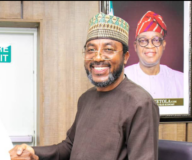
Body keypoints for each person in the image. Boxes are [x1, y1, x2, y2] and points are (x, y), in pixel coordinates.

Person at [10, 13, 159, 160]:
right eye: (91, 49)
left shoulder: (140, 103)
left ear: (125, 57)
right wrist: (32, 151)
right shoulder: (86, 98)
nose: (98, 57)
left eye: (108, 49)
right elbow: (69, 147)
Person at [125, 11, 183, 98]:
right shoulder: (123, 78)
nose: (150, 45)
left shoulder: (181, 80)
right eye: (143, 40)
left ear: (163, 45)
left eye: (156, 40)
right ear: (135, 46)